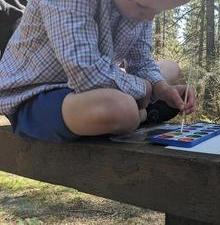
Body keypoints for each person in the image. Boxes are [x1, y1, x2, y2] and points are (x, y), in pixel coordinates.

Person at [0, 0, 196, 142]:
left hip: (85, 88)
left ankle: (141, 108)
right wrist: (145, 88)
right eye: (143, 6)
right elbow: (86, 72)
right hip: (35, 93)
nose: (150, 17)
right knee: (122, 110)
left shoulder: (139, 9)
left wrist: (161, 89)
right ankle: (146, 113)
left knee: (171, 69)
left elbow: (141, 61)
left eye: (158, 11)